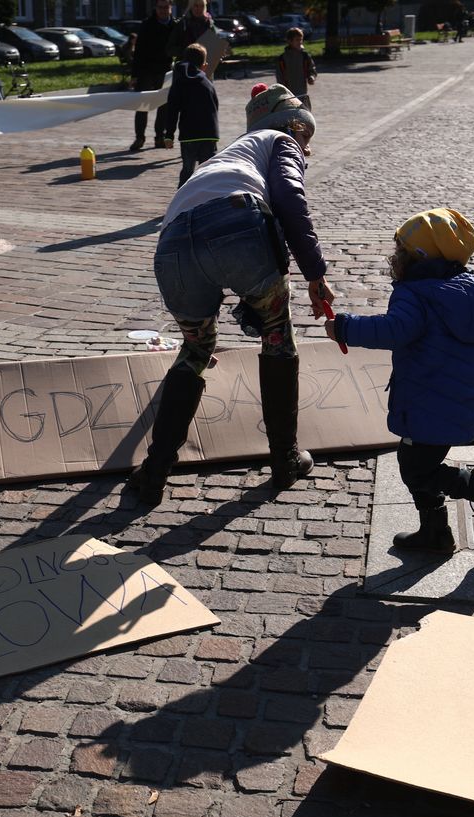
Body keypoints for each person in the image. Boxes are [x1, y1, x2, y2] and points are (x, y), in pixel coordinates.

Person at [129, 83, 334, 505]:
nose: (306, 150)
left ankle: (154, 472)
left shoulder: (229, 154)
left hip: (171, 247)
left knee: (195, 350)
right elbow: (291, 200)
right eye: (306, 139)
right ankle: (285, 459)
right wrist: (315, 273)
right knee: (276, 335)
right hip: (236, 224)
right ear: (295, 124)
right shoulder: (279, 139)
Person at [323, 209, 474, 553]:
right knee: (418, 465)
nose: (394, 258)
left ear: (420, 259)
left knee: (417, 470)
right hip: (456, 401)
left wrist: (343, 326)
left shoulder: (416, 294)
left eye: (401, 252)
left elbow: (395, 330)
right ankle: (435, 534)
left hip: (424, 401)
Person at [164, 42, 218, 187]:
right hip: (209, 133)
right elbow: (215, 106)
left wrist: (169, 134)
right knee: (208, 172)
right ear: (204, 64)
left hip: (189, 135)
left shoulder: (180, 81)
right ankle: (207, 201)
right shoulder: (207, 82)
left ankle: (182, 201)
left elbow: (172, 109)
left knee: (187, 171)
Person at [129, 0, 177, 151]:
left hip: (165, 70)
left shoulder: (174, 26)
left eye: (166, 7)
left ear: (170, 8)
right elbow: (138, 52)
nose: (163, 10)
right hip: (146, 70)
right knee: (141, 104)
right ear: (155, 8)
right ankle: (139, 137)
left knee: (163, 105)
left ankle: (159, 137)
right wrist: (135, 75)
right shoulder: (147, 25)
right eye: (160, 7)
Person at [275, 28, 316, 109]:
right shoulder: (282, 58)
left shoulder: (305, 56)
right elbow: (279, 76)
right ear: (289, 41)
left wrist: (311, 77)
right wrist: (282, 89)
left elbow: (311, 69)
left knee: (303, 113)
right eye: (297, 40)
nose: (300, 42)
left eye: (301, 40)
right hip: (288, 93)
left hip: (302, 92)